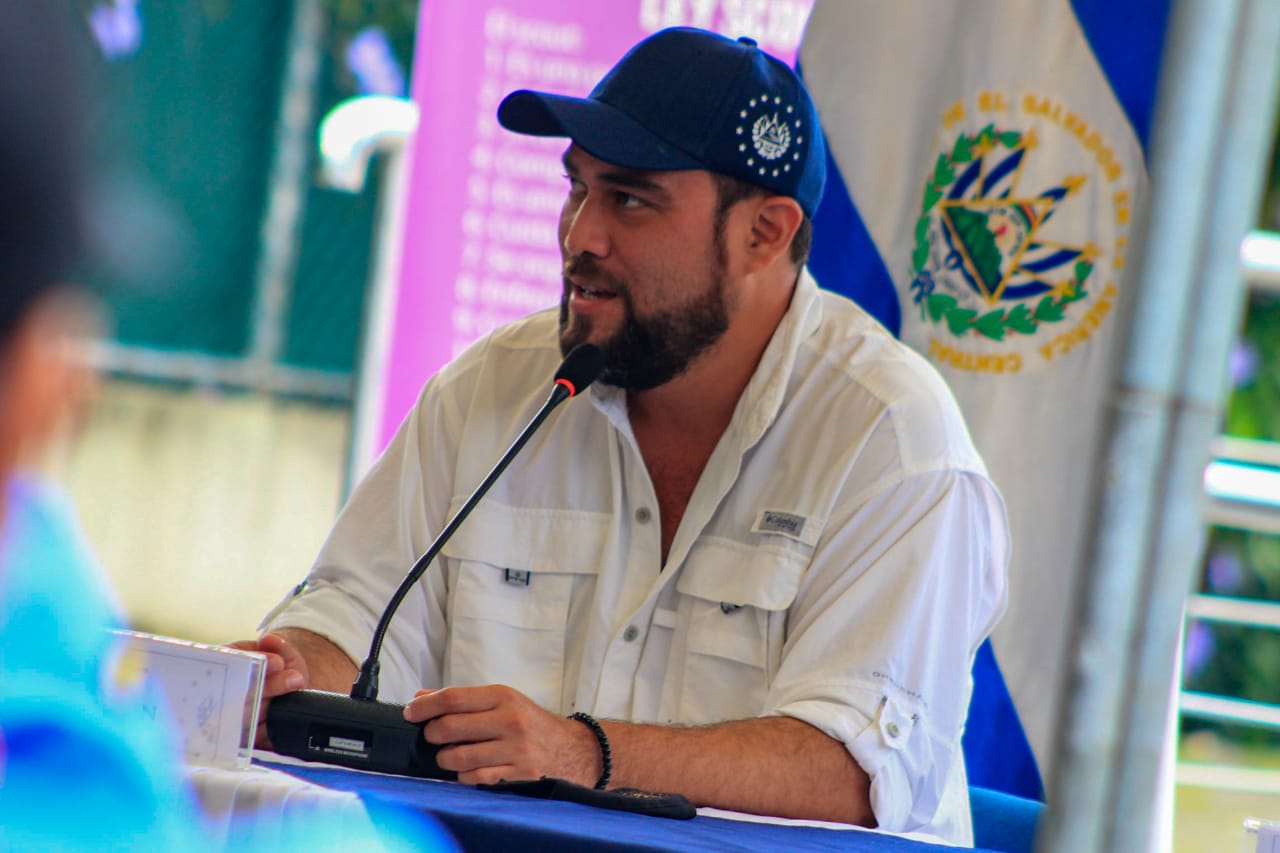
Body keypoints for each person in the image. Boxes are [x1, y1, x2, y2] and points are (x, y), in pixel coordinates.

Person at [244, 27, 1007, 845]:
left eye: (631, 200)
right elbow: (356, 615)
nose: (581, 236)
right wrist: (292, 668)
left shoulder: (893, 442)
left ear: (765, 233)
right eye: (577, 187)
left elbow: (850, 774)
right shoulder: (490, 392)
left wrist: (582, 752)